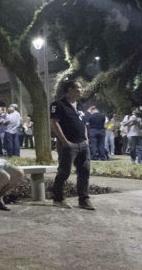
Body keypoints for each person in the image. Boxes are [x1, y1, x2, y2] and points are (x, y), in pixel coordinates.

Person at [51, 80, 94, 210]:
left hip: (83, 144)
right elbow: (54, 123)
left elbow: (83, 123)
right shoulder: (57, 104)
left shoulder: (79, 105)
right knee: (64, 172)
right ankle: (58, 199)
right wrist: (65, 141)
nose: (82, 90)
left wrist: (86, 139)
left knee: (84, 172)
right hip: (68, 144)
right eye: (79, 88)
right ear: (70, 89)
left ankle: (84, 199)